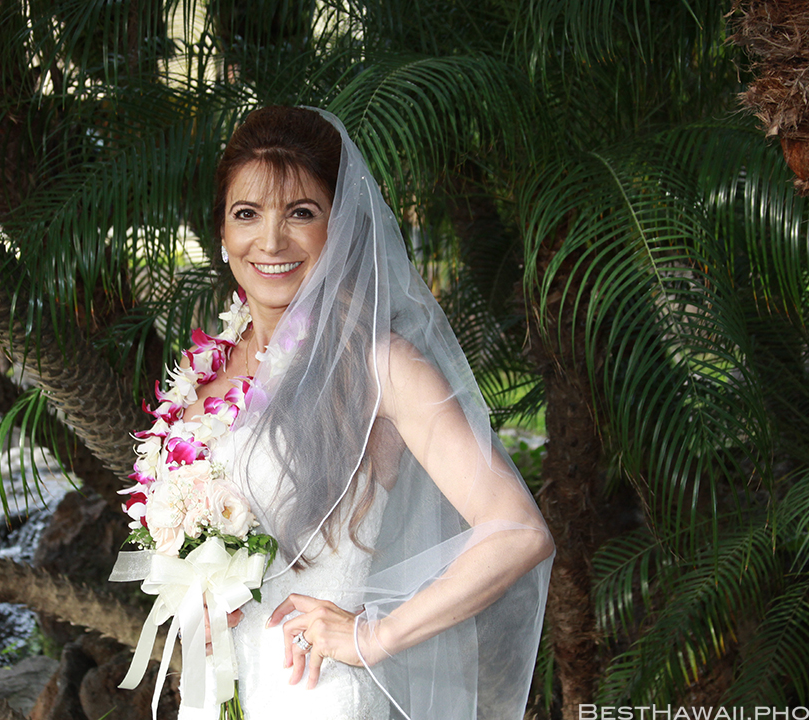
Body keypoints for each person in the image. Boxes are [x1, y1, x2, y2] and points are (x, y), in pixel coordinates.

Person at [126, 106, 554, 720]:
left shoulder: (379, 365)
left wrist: (372, 636)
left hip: (316, 694)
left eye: (301, 213)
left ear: (342, 227)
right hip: (218, 691)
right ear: (221, 231)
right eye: (247, 213)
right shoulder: (210, 368)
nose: (270, 241)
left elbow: (519, 531)